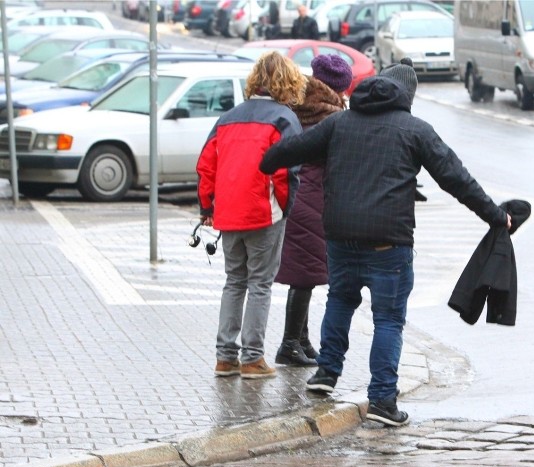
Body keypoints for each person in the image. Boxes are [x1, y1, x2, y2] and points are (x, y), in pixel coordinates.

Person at [260, 58, 511, 426]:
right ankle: (381, 400)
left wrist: (264, 161)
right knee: (389, 319)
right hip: (387, 244)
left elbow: (286, 152)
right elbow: (456, 178)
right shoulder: (415, 130)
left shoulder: (339, 122)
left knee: (341, 301)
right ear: (406, 96)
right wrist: (495, 216)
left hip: (340, 236)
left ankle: (326, 374)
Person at [197, 51, 306, 380]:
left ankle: (225, 357)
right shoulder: (284, 119)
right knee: (260, 283)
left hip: (227, 214)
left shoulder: (227, 118)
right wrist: (285, 208)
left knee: (234, 281)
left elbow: (206, 165)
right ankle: (253, 357)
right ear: (287, 82)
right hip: (263, 212)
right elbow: (287, 171)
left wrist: (207, 208)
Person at [274, 54, 352, 367]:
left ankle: (301, 339)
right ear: (336, 87)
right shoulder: (330, 115)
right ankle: (290, 343)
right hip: (311, 197)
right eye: (344, 89)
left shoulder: (296, 103)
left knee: (304, 272)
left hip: (295, 194)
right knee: (305, 273)